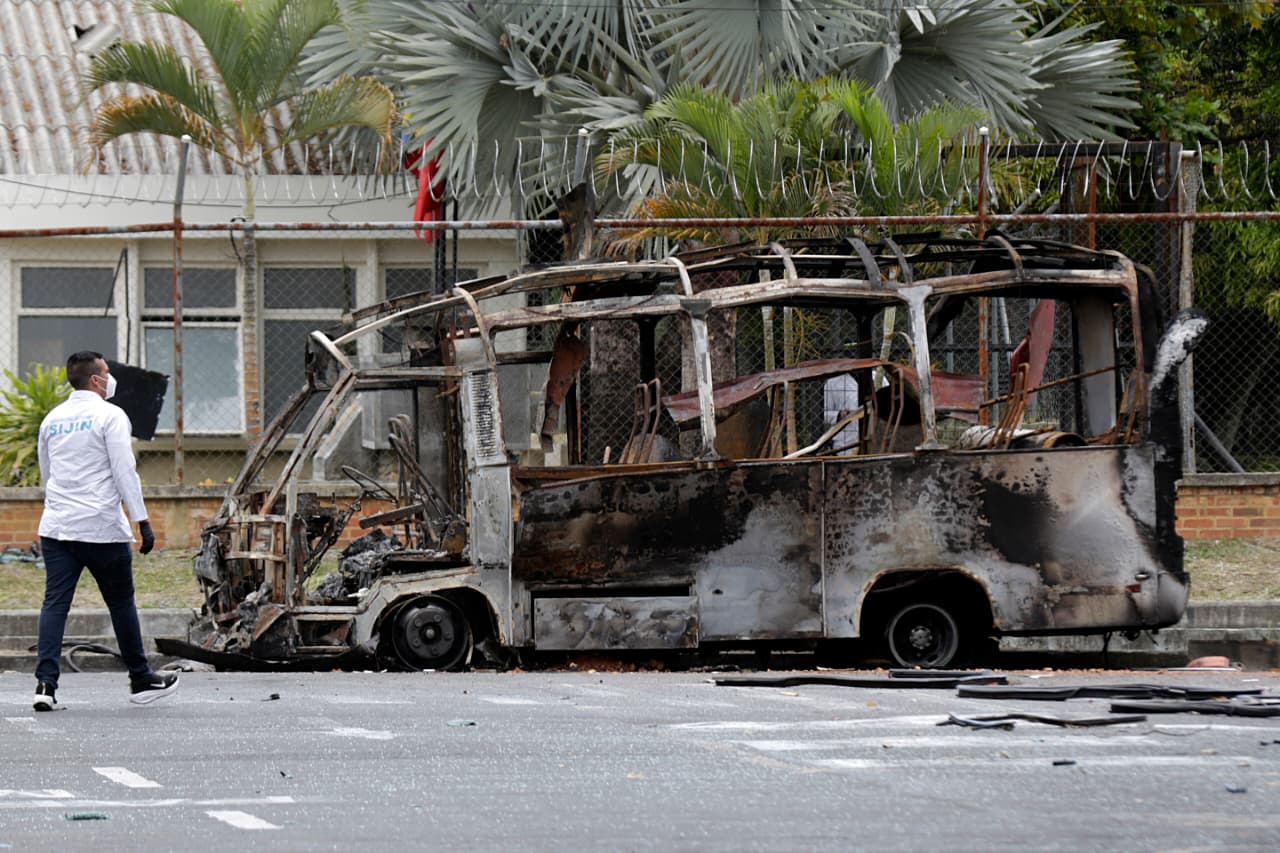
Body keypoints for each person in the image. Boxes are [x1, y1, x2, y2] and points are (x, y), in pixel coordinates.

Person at [32, 352, 178, 711]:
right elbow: (125, 471)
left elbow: (47, 475)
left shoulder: (52, 419)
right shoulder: (111, 416)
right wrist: (142, 521)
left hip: (58, 528)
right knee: (120, 602)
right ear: (96, 380)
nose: (111, 377)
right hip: (101, 529)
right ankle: (141, 678)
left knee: (55, 604)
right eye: (107, 372)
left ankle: (45, 686)